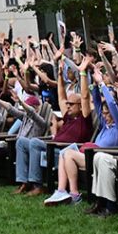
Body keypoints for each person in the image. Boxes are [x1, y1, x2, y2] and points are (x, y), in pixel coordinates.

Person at [44, 65, 118, 205]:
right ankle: (64, 191)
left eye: (107, 113)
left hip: (105, 158)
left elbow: (111, 104)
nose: (104, 116)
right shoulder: (105, 125)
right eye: (103, 113)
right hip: (92, 155)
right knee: (65, 153)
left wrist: (103, 84)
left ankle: (74, 194)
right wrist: (94, 83)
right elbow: (97, 102)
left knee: (68, 154)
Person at [15, 56, 93, 196]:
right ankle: (23, 182)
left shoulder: (84, 119)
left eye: (71, 104)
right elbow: (61, 97)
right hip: (53, 147)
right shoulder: (68, 117)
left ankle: (37, 184)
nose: (67, 106)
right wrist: (59, 74)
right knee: (21, 142)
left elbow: (85, 96)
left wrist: (82, 74)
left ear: (80, 107)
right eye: (68, 105)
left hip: (62, 152)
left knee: (34, 142)